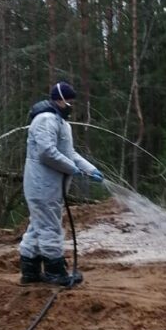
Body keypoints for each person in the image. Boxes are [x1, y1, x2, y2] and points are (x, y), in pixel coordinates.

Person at [19, 81, 103, 286]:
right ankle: (55, 271)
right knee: (50, 228)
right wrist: (71, 168)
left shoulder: (61, 122)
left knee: (38, 226)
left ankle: (29, 270)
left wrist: (90, 169)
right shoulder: (45, 120)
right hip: (42, 185)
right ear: (61, 100)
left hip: (50, 186)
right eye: (70, 102)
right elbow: (47, 152)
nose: (72, 106)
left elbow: (69, 153)